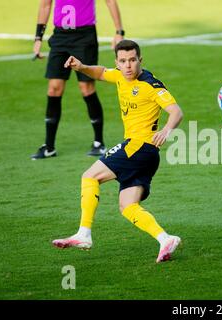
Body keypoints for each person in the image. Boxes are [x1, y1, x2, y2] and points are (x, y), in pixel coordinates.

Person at [52, 40, 184, 263]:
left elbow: (176, 111)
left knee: (89, 176)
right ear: (118, 63)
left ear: (140, 60)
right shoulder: (120, 75)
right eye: (123, 61)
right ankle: (165, 239)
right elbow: (102, 72)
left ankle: (84, 233)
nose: (128, 65)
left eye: (132, 60)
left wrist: (166, 130)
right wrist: (82, 67)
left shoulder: (150, 84)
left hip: (139, 147)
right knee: (128, 206)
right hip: (146, 155)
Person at [31, 0, 125, 159]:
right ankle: (49, 146)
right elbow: (45, 5)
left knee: (86, 88)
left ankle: (98, 143)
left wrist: (119, 31)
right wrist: (38, 38)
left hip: (84, 36)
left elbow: (110, 1)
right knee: (54, 88)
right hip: (60, 36)